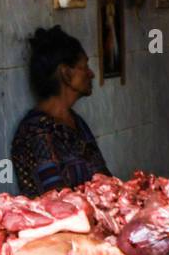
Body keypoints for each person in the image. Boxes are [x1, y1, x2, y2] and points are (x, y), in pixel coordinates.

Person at [10, 27, 109, 197]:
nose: (91, 74)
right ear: (66, 73)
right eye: (84, 66)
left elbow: (105, 179)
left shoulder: (75, 122)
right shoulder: (36, 132)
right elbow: (57, 198)